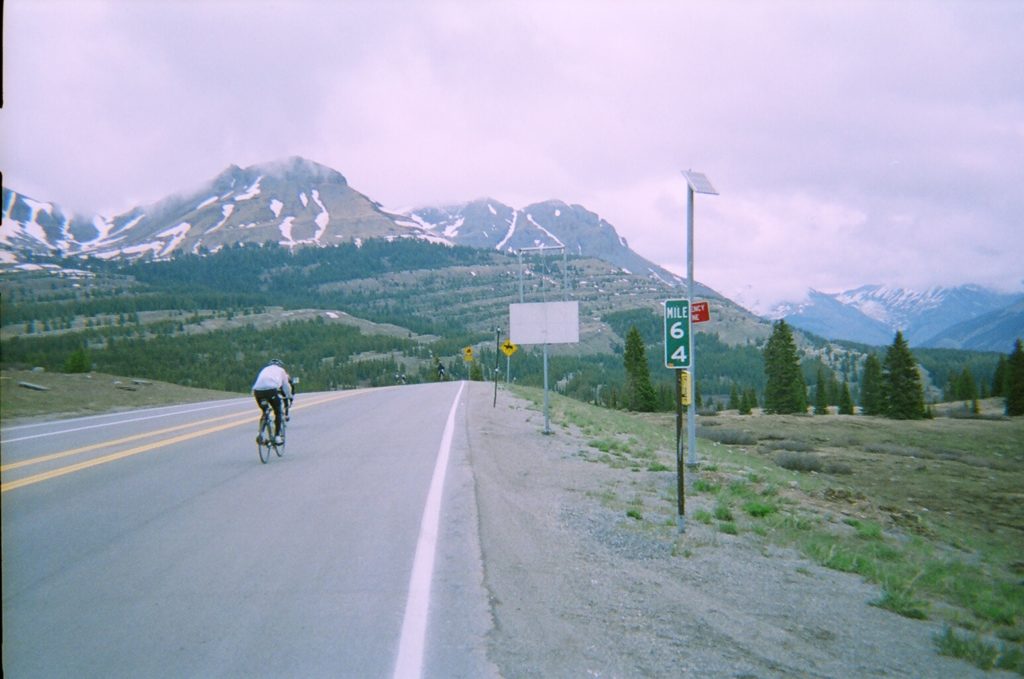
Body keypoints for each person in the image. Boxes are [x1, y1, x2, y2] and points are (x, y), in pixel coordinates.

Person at [252, 359, 293, 445]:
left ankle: (260, 434)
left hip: (257, 391)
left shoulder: (265, 369)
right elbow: (286, 386)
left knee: (265, 411)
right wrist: (289, 397)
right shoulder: (282, 371)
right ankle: (277, 436)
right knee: (278, 412)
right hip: (271, 390)